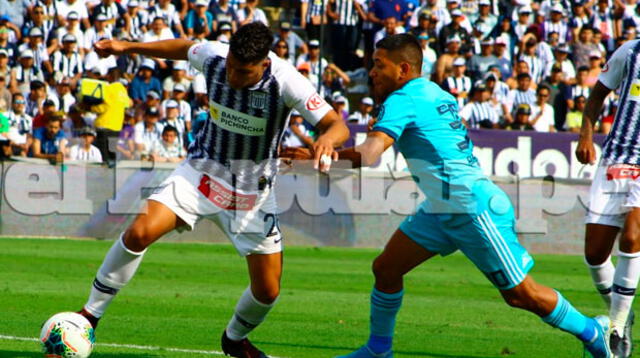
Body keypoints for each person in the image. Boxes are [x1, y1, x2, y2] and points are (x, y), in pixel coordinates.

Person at [283, 33, 612, 358]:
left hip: (471, 209)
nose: (371, 72)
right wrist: (319, 161)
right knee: (386, 268)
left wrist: (323, 157)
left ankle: (591, 330)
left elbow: (369, 156)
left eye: (378, 65)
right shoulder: (433, 91)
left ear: (403, 70)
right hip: (442, 207)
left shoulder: (404, 99)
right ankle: (378, 350)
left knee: (521, 294)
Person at [79, 22, 349, 358]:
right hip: (201, 171)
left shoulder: (287, 81)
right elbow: (182, 47)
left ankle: (234, 339)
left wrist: (325, 139)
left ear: (264, 64)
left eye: (244, 72)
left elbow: (337, 124)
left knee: (267, 290)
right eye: (232, 67)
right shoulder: (216, 57)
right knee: (138, 232)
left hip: (252, 193)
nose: (233, 76)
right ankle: (88, 317)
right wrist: (127, 46)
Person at [575, 39, 640, 358]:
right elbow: (599, 92)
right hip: (616, 158)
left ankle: (615, 329)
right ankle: (623, 317)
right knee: (595, 254)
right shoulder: (630, 52)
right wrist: (586, 135)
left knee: (632, 237)